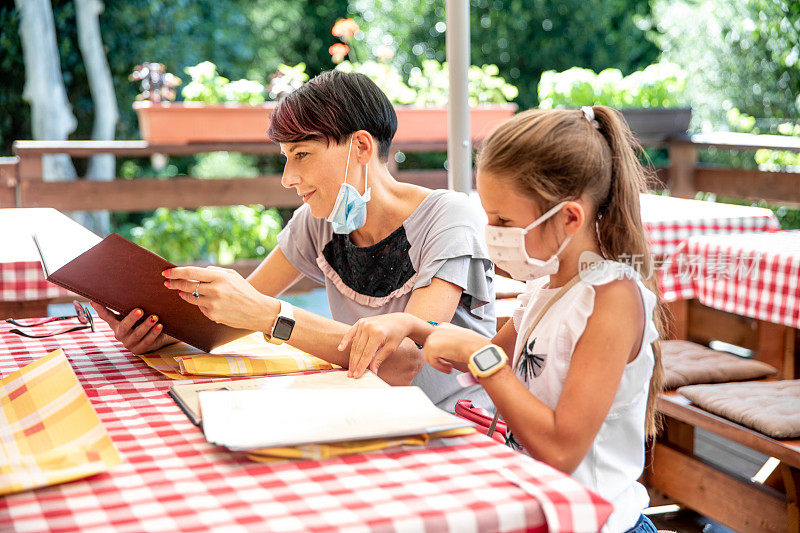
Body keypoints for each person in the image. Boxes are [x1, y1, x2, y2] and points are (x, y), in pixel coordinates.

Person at [340, 106, 665, 532]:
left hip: (601, 521)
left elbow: (561, 449)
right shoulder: (546, 286)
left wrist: (479, 356)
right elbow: (483, 355)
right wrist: (411, 326)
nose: (490, 231)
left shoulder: (612, 299)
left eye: (504, 220)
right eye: (487, 216)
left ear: (569, 217)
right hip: (542, 507)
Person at [92, 70, 496, 412]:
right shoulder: (319, 223)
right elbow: (236, 315)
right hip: (369, 412)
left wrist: (271, 316)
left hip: (454, 424)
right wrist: (158, 331)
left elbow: (403, 363)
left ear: (360, 147)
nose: (288, 178)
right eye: (286, 157)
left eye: (301, 154)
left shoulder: (450, 218)